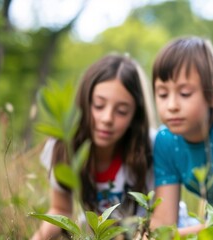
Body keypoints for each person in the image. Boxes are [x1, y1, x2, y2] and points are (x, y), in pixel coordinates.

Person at [32, 54, 154, 239]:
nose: (107, 119)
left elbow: (160, 220)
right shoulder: (63, 148)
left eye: (121, 111)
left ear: (135, 115)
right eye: (98, 105)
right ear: (84, 102)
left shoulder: (149, 147)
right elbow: (60, 210)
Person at [149, 36, 213, 235]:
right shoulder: (166, 140)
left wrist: (174, 237)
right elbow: (162, 221)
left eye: (185, 93)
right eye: (162, 94)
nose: (171, 106)